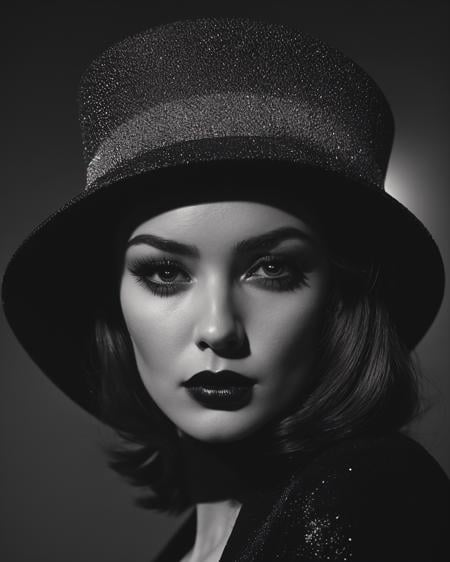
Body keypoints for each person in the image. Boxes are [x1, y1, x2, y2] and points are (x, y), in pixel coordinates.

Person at [2, 17, 449, 562]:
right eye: (165, 273)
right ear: (113, 304)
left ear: (339, 300)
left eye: (271, 269)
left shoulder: (364, 495)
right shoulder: (186, 549)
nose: (218, 329)